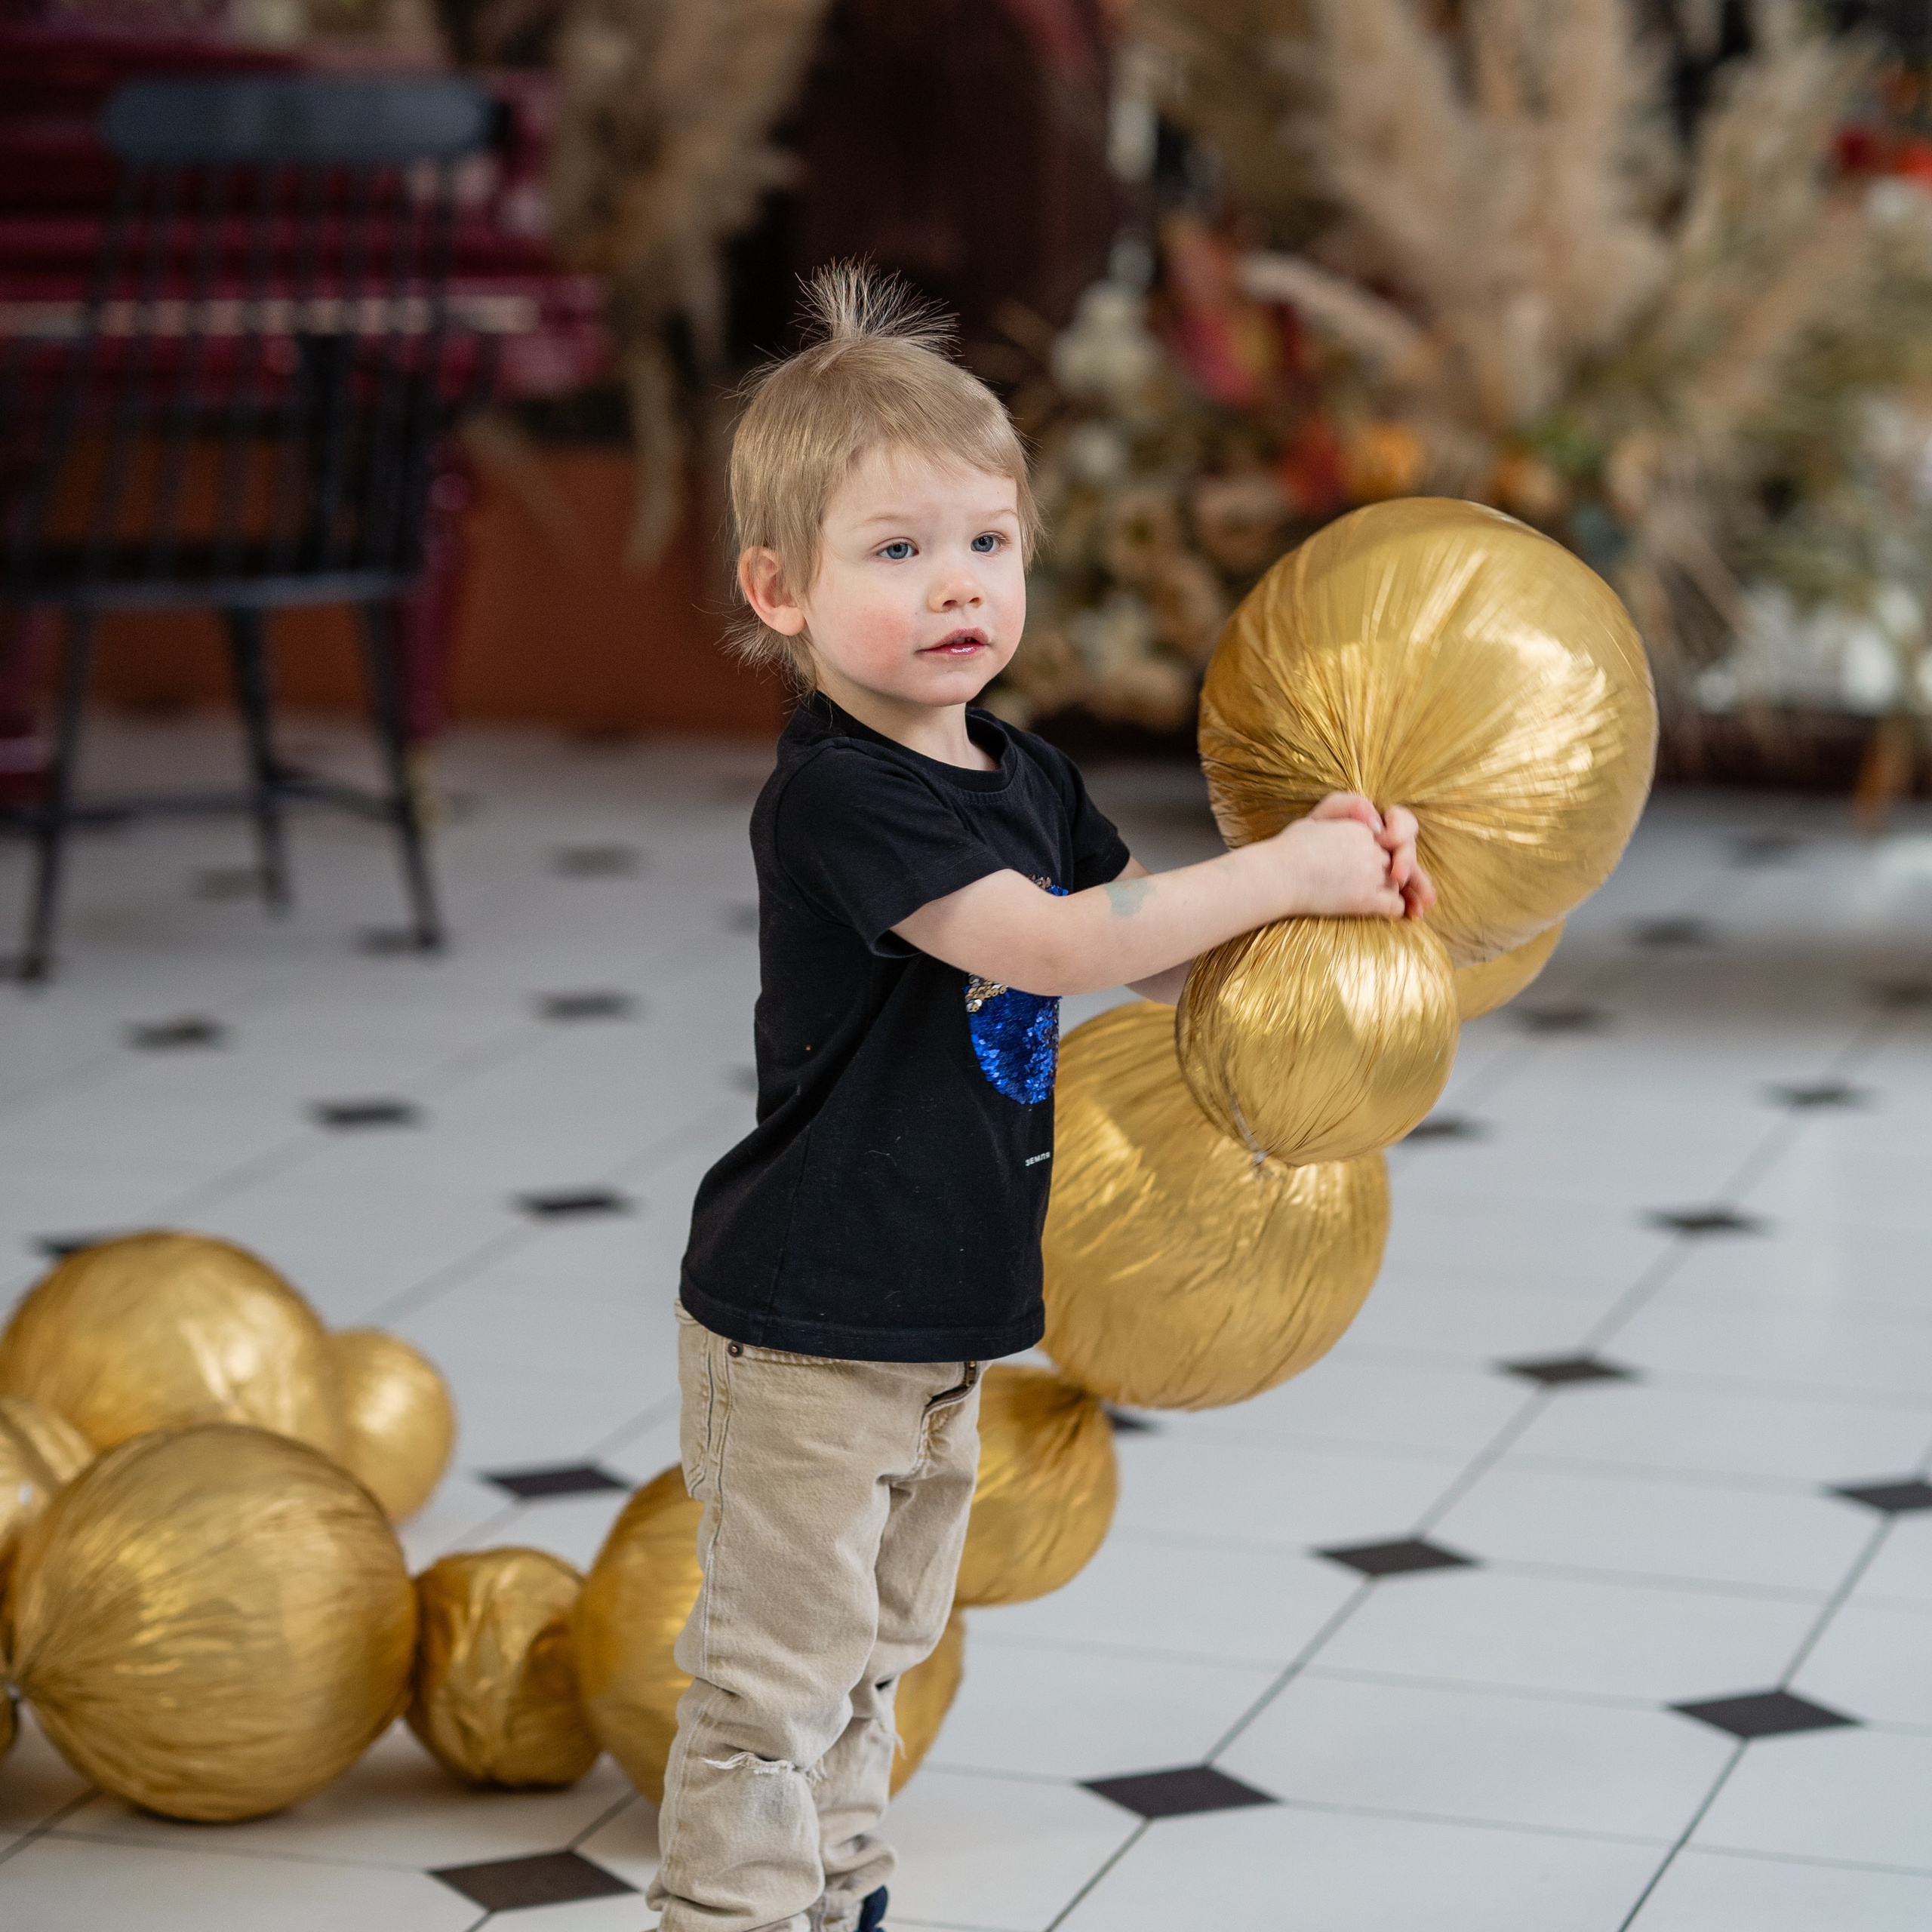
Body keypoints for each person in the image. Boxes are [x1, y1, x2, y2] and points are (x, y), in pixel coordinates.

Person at [654, 264, 1434, 1932]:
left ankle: (843, 1892)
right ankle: (723, 1916)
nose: (957, 587)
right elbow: (1052, 942)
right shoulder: (841, 798)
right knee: (770, 1682)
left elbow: (1158, 957)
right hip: (802, 1322)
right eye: (897, 551)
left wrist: (1331, 890)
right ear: (777, 591)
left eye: (986, 543)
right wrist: (1267, 864)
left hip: (937, 1318)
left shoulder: (1022, 771)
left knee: (882, 1649)